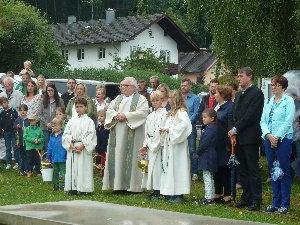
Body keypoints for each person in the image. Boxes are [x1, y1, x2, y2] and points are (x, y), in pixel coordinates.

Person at [102, 77, 149, 192]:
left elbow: (143, 113)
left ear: (133, 87)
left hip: (133, 134)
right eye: (121, 85)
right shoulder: (118, 99)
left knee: (132, 157)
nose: (122, 87)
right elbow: (109, 110)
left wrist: (126, 116)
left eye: (125, 85)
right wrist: (116, 115)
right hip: (117, 132)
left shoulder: (141, 100)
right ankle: (117, 185)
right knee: (117, 156)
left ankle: (133, 186)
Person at [228, 67, 264, 211]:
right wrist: (233, 131)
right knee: (242, 169)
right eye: (238, 76)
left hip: (250, 137)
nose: (238, 78)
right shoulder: (238, 95)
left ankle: (256, 199)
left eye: (241, 76)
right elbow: (233, 114)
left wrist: (235, 129)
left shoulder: (257, 93)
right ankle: (246, 196)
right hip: (238, 138)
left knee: (252, 169)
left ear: (250, 77)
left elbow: (251, 115)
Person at [260, 75, 295, 215]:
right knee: (274, 170)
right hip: (269, 139)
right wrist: (268, 135)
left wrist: (277, 137)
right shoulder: (268, 101)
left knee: (283, 170)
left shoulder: (289, 101)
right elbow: (262, 120)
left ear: (283, 87)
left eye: (276, 85)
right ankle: (276, 202)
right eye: (272, 84)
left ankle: (285, 204)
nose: (273, 87)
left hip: (284, 139)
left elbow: (288, 122)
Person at [160, 89, 192, 203]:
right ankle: (171, 191)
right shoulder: (172, 112)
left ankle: (179, 192)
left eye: (170, 98)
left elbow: (184, 126)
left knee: (178, 167)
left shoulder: (181, 112)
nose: (168, 100)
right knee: (170, 167)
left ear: (175, 99)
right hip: (170, 145)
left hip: (178, 146)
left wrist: (169, 130)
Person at [62, 98, 97, 196]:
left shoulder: (89, 121)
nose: (79, 109)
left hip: (83, 148)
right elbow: (66, 134)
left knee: (83, 167)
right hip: (73, 147)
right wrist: (71, 145)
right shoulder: (71, 120)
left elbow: (91, 135)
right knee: (72, 167)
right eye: (77, 107)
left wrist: (82, 146)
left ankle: (83, 188)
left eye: (81, 107)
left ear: (86, 108)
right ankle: (72, 188)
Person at [139, 90, 167, 198]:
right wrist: (145, 144)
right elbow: (146, 131)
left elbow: (160, 130)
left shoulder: (164, 114)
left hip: (158, 144)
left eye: (157, 100)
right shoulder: (150, 115)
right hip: (150, 143)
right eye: (153, 100)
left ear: (162, 101)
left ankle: (159, 189)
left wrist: (153, 143)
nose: (155, 102)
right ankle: (154, 188)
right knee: (150, 166)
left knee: (158, 167)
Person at [213, 85, 233, 204]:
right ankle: (218, 191)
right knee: (217, 168)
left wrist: (229, 145)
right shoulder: (218, 106)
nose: (214, 95)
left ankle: (227, 194)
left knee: (225, 169)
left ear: (223, 95)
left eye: (216, 93)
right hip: (216, 143)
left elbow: (230, 126)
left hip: (224, 142)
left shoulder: (229, 107)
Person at [196, 109, 218, 205]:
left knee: (207, 177)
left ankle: (208, 198)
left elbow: (205, 142)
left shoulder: (210, 129)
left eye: (205, 117)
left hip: (207, 154)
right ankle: (211, 196)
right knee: (209, 176)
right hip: (209, 153)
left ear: (212, 118)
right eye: (202, 117)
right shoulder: (211, 128)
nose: (203, 119)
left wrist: (198, 152)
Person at [181, 78, 200, 181]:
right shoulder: (180, 98)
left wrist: (187, 123)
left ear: (190, 86)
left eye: (185, 85)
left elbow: (196, 113)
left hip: (190, 127)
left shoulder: (195, 98)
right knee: (181, 149)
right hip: (180, 127)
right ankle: (184, 171)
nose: (183, 87)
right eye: (182, 85)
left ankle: (194, 172)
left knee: (192, 149)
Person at [39, 83, 65, 154]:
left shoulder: (60, 101)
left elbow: (62, 113)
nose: (50, 92)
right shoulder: (43, 101)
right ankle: (47, 160)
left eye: (51, 90)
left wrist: (54, 122)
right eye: (48, 90)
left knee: (57, 143)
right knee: (47, 144)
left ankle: (56, 159)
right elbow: (40, 114)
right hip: (45, 127)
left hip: (57, 126)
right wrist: (46, 123)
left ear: (54, 90)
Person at [46, 118, 67, 191]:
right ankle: (56, 185)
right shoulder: (51, 136)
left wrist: (66, 155)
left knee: (63, 172)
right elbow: (50, 147)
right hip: (54, 157)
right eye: (53, 126)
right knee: (55, 172)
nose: (55, 127)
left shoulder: (64, 135)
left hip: (62, 157)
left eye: (57, 126)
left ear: (61, 126)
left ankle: (64, 185)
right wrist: (48, 156)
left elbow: (66, 146)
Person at [0, 96, 19, 169]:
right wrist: (2, 129)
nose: (3, 104)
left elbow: (17, 120)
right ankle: (9, 162)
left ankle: (17, 162)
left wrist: (17, 128)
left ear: (8, 102)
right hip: (6, 132)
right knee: (7, 148)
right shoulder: (1, 112)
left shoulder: (13, 110)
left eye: (4, 102)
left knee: (15, 147)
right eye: (2, 103)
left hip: (13, 131)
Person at [23, 113, 44, 178]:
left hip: (37, 147)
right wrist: (33, 140)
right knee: (29, 160)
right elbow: (25, 137)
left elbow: (42, 137)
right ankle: (29, 171)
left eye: (32, 120)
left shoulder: (39, 129)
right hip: (30, 147)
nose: (31, 122)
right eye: (29, 120)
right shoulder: (27, 129)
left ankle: (38, 171)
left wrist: (39, 140)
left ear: (36, 120)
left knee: (37, 160)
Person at [14, 104, 30, 176]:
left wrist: (27, 128)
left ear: (27, 111)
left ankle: (27, 169)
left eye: (24, 110)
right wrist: (17, 127)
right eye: (21, 110)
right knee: (21, 156)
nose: (22, 112)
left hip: (27, 142)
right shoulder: (17, 120)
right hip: (20, 142)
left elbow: (31, 128)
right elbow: (14, 128)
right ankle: (21, 169)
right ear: (19, 111)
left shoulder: (28, 120)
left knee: (27, 156)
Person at [95, 109, 110, 182]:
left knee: (105, 163)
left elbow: (106, 138)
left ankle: (105, 178)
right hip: (100, 147)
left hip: (105, 148)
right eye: (98, 116)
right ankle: (103, 176)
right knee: (101, 163)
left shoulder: (107, 127)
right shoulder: (98, 127)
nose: (99, 118)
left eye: (102, 116)